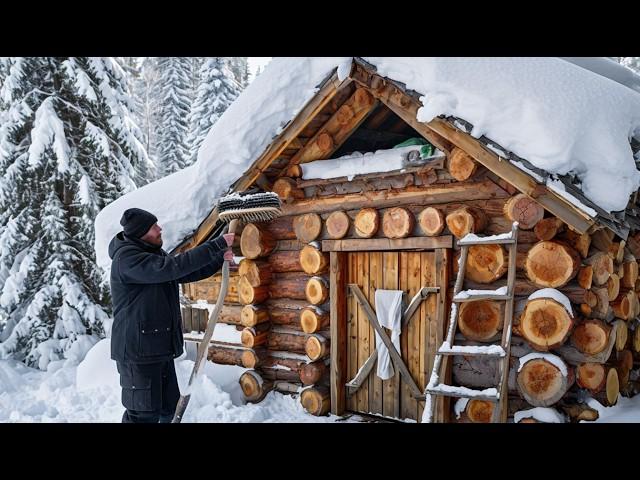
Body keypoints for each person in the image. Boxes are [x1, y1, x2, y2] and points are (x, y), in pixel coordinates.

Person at [107, 208, 234, 423]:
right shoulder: (126, 259)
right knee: (143, 414)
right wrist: (216, 244)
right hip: (137, 353)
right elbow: (171, 268)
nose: (159, 229)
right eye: (153, 227)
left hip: (157, 348)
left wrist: (217, 260)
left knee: (169, 409)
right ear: (140, 233)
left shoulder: (150, 254)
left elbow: (181, 273)